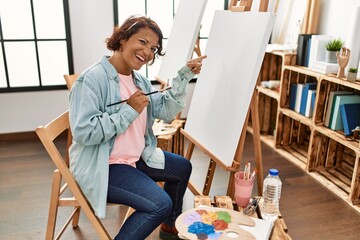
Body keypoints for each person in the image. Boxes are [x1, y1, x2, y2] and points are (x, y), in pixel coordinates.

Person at [68, 15, 207, 240]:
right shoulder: (92, 80)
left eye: (153, 48)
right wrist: (129, 111)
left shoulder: (139, 80)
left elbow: (164, 110)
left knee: (182, 167)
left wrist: (184, 77)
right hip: (104, 164)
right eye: (142, 42)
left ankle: (170, 227)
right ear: (122, 39)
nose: (148, 52)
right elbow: (85, 132)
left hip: (134, 157)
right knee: (158, 204)